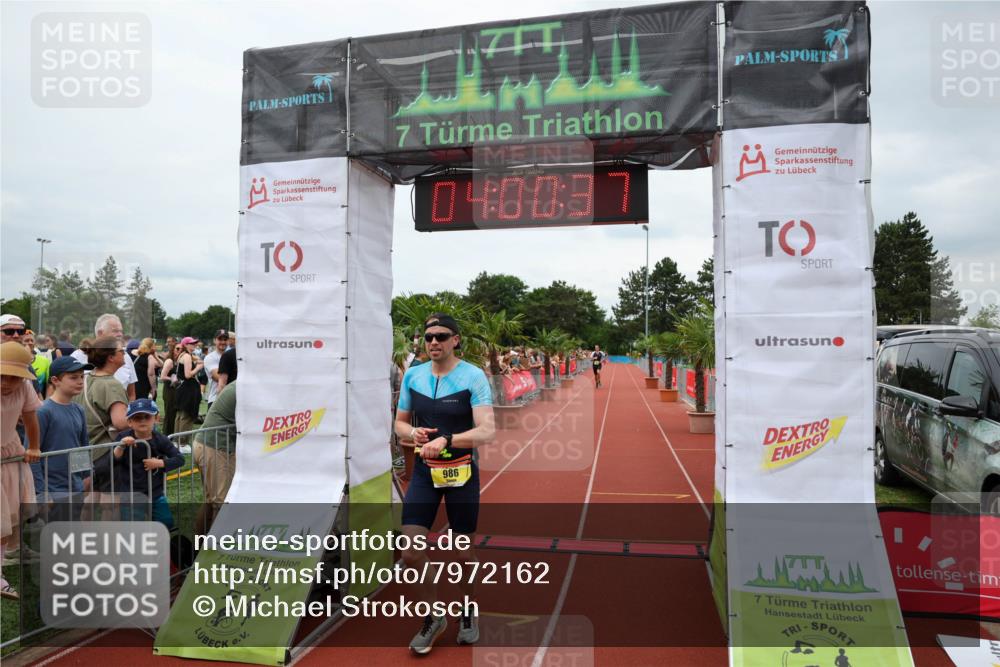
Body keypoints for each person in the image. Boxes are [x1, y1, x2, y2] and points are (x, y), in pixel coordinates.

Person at [393, 314, 495, 654]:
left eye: (441, 336)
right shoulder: (413, 376)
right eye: (428, 337)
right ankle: (434, 616)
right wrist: (413, 433)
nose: (433, 342)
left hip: (461, 471)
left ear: (456, 340)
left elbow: (487, 430)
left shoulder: (472, 376)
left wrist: (448, 439)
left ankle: (467, 612)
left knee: (463, 552)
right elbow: (400, 425)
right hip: (425, 471)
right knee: (409, 550)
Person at [1, 342, 42, 599]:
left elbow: (30, 419)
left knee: (10, 514)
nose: (7, 382)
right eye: (2, 375)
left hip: (10, 454)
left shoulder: (25, 388)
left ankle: (6, 563)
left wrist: (35, 446)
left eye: (14, 377)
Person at [32, 356, 92, 514]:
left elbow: (82, 445)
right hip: (53, 491)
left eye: (81, 377)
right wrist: (41, 492)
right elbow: (32, 453)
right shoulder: (43, 411)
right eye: (73, 377)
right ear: (55, 380)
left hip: (76, 487)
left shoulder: (78, 409)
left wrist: (86, 476)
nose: (80, 381)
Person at [112, 399, 184, 528]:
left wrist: (160, 463)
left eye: (147, 417)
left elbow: (180, 459)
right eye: (137, 418)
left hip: (155, 493)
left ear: (156, 418)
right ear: (129, 422)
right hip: (131, 495)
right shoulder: (122, 438)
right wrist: (121, 446)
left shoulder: (160, 439)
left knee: (166, 522)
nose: (142, 420)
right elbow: (113, 460)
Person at [73, 337, 129, 492]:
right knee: (109, 506)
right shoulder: (111, 384)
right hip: (103, 453)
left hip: (81, 452)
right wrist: (142, 418)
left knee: (86, 503)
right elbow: (120, 422)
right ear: (111, 357)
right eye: (121, 351)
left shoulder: (84, 378)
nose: (124, 353)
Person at [193, 381, 236, 534]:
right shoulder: (244, 389)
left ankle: (199, 548)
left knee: (211, 502)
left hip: (208, 445)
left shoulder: (240, 385)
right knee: (221, 503)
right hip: (216, 448)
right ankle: (212, 553)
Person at [71, 314, 138, 401]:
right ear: (100, 333)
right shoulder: (78, 357)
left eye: (121, 331)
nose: (120, 334)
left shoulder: (125, 356)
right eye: (115, 331)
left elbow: (131, 394)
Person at [174, 337, 204, 436]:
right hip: (188, 389)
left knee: (180, 415)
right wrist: (198, 368)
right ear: (186, 345)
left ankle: (177, 440)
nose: (194, 345)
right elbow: (188, 375)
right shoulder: (186, 356)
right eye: (191, 343)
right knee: (186, 416)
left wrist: (196, 362)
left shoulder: (183, 355)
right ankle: (182, 442)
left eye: (195, 343)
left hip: (183, 389)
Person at [159, 342, 183, 437]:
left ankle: (173, 434)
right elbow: (162, 376)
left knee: (175, 413)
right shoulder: (170, 361)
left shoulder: (180, 361)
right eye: (177, 348)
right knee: (170, 413)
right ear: (172, 350)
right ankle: (167, 435)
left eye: (181, 349)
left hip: (177, 390)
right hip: (169, 390)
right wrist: (173, 379)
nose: (179, 351)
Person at [203, 330, 228, 411]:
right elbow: (219, 377)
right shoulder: (210, 357)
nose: (223, 342)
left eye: (225, 339)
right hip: (215, 400)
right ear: (214, 340)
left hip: (231, 399)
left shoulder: (232, 355)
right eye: (220, 339)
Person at [22, 331, 50, 398]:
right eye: (27, 340)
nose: (30, 342)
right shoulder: (15, 361)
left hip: (38, 399)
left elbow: (49, 384)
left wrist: (46, 401)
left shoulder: (44, 361)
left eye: (32, 340)